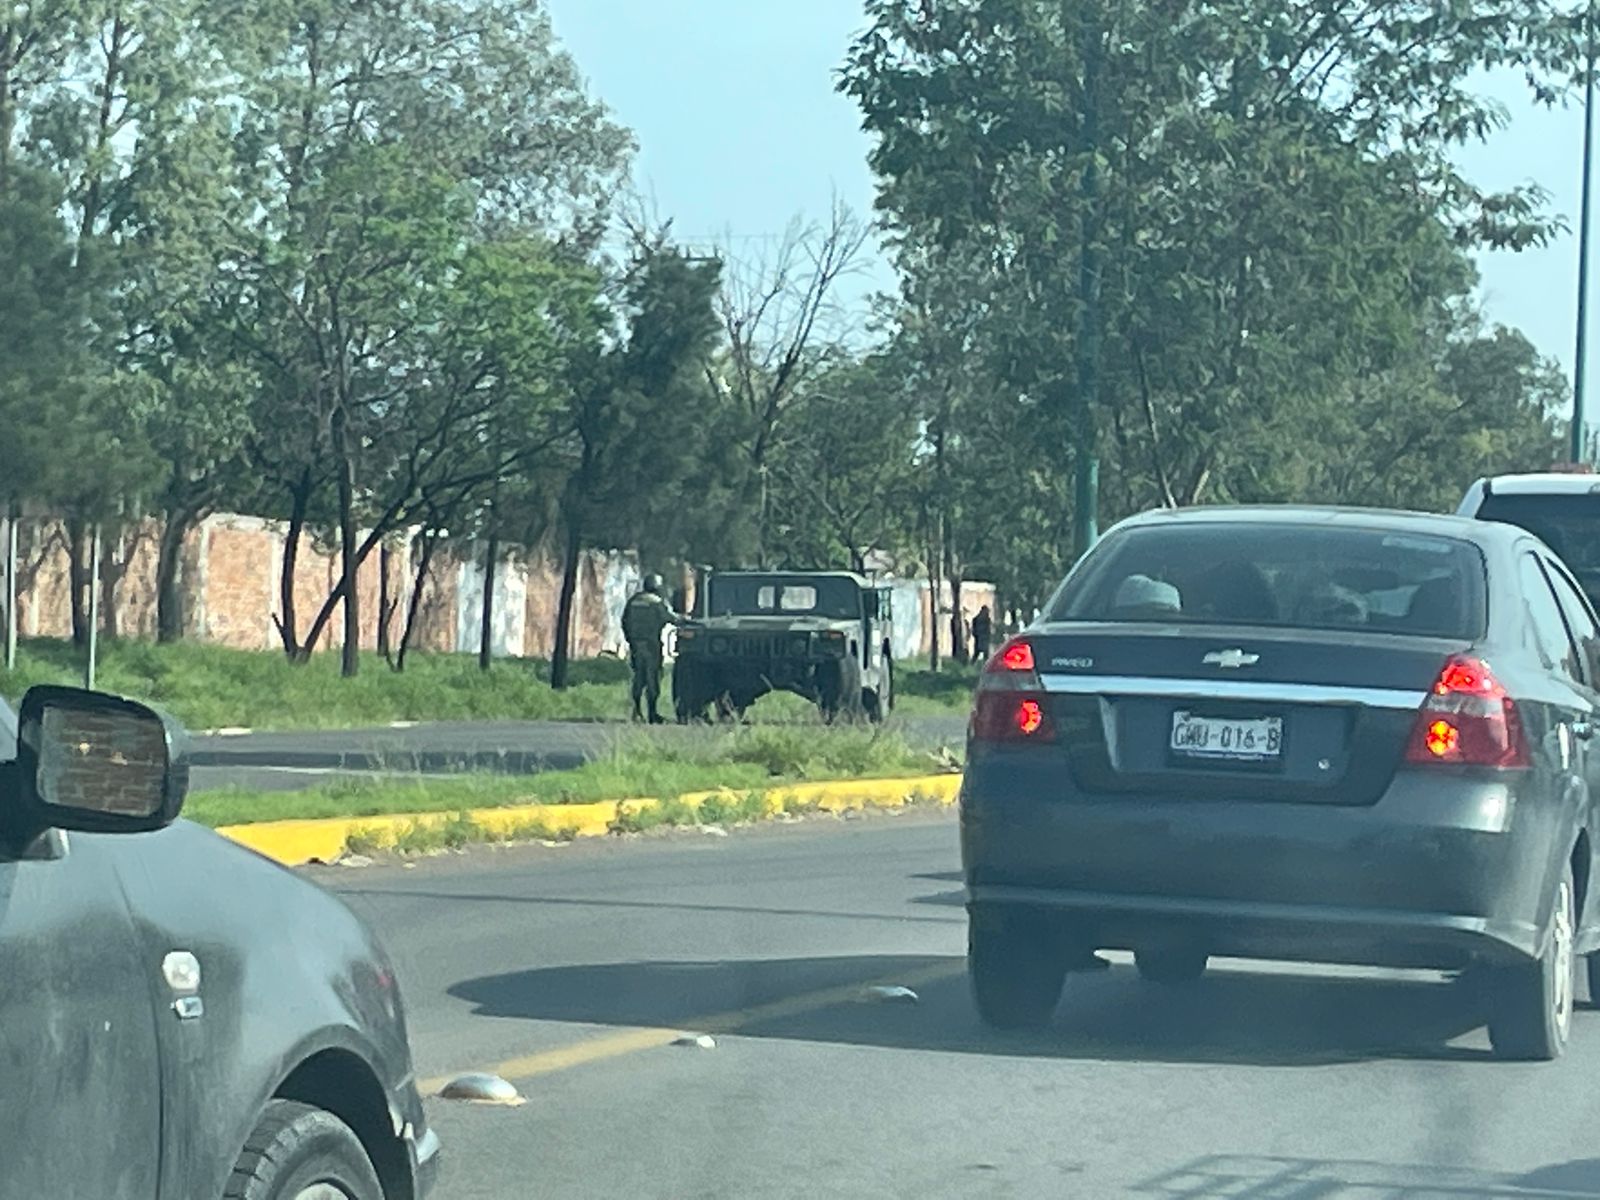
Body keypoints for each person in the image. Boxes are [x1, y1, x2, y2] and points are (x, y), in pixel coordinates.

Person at [621, 573, 682, 724]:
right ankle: (652, 713)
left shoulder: (634, 601)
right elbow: (671, 618)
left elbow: (624, 621)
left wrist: (630, 639)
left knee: (639, 677)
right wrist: (685, 619)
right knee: (652, 678)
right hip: (651, 645)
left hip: (636, 645)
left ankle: (636, 711)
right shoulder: (656, 602)